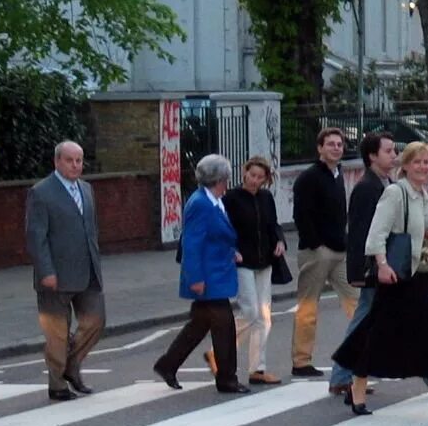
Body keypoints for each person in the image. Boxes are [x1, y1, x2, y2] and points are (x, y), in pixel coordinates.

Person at [332, 142, 428, 417]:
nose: (423, 167)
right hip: (397, 278)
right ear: (405, 166)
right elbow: (375, 235)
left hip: (420, 275)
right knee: (378, 333)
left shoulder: (422, 193)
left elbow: (424, 233)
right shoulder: (395, 193)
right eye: (417, 162)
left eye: (427, 162)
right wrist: (381, 264)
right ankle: (358, 388)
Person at [153, 154, 248, 394]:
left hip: (217, 273)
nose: (228, 181)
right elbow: (192, 244)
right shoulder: (200, 204)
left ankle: (167, 364)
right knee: (225, 327)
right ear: (220, 179)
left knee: (198, 326)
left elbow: (217, 236)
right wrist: (195, 278)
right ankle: (227, 379)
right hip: (207, 277)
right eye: (226, 177)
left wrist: (232, 251)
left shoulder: (214, 201)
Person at [25, 140, 104, 402]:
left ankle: (71, 366)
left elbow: (90, 229)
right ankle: (57, 385)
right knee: (58, 333)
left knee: (96, 320)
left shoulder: (87, 189)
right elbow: (36, 236)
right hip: (55, 275)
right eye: (69, 160)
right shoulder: (41, 192)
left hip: (87, 270)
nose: (75, 165)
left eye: (79, 160)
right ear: (57, 162)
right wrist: (46, 270)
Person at [327, 130, 398, 401]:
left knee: (370, 322)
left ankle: (343, 376)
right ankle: (342, 377)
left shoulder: (384, 183)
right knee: (364, 323)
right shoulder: (368, 188)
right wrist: (361, 272)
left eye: (394, 151)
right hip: (373, 269)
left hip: (382, 266)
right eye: (388, 151)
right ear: (372, 156)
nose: (394, 155)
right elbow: (359, 233)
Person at [291, 127, 357, 377]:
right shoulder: (309, 177)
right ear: (320, 148)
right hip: (317, 251)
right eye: (330, 144)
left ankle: (357, 357)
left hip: (340, 251)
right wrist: (315, 244)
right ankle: (301, 361)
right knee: (308, 308)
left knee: (357, 303)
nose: (336, 148)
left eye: (339, 144)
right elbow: (301, 215)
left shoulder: (337, 174)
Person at [223, 156, 286, 386]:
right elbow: (223, 228)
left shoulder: (266, 197)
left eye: (260, 177)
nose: (255, 181)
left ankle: (257, 369)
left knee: (264, 317)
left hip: (264, 260)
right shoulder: (231, 198)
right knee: (250, 313)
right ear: (244, 173)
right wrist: (231, 249)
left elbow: (273, 225)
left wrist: (280, 240)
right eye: (252, 175)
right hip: (241, 260)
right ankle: (218, 352)